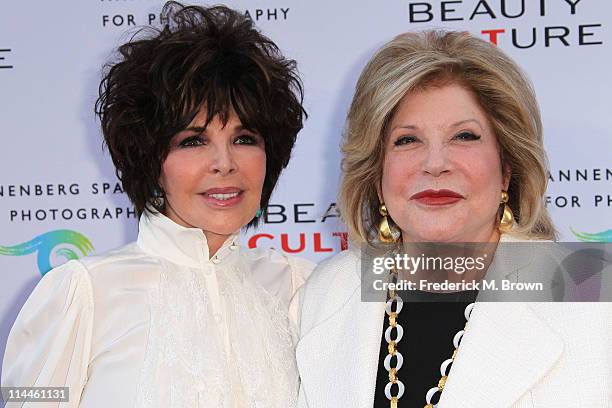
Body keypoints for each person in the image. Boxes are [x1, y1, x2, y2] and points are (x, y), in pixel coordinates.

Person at [2, 2, 313, 407]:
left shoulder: (300, 287)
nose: (224, 164)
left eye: (244, 138)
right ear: (152, 160)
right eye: (193, 140)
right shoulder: (82, 293)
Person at [295, 30, 611, 408]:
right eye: (407, 140)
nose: (435, 164)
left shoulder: (591, 300)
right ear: (377, 174)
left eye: (464, 136)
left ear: (507, 168)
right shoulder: (326, 292)